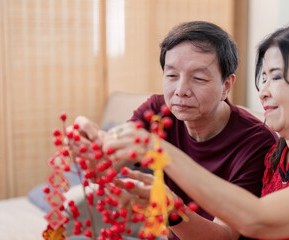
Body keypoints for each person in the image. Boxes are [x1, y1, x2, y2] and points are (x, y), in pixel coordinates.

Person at [107, 23, 289, 239]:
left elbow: (256, 218)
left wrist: (158, 150)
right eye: (262, 78)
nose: (263, 92)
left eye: (275, 76)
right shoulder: (276, 159)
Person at [71, 21, 277, 240]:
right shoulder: (157, 112)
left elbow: (224, 236)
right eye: (171, 76)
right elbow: (104, 165)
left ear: (226, 86)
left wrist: (171, 211)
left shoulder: (257, 143)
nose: (181, 91)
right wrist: (89, 142)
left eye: (198, 78)